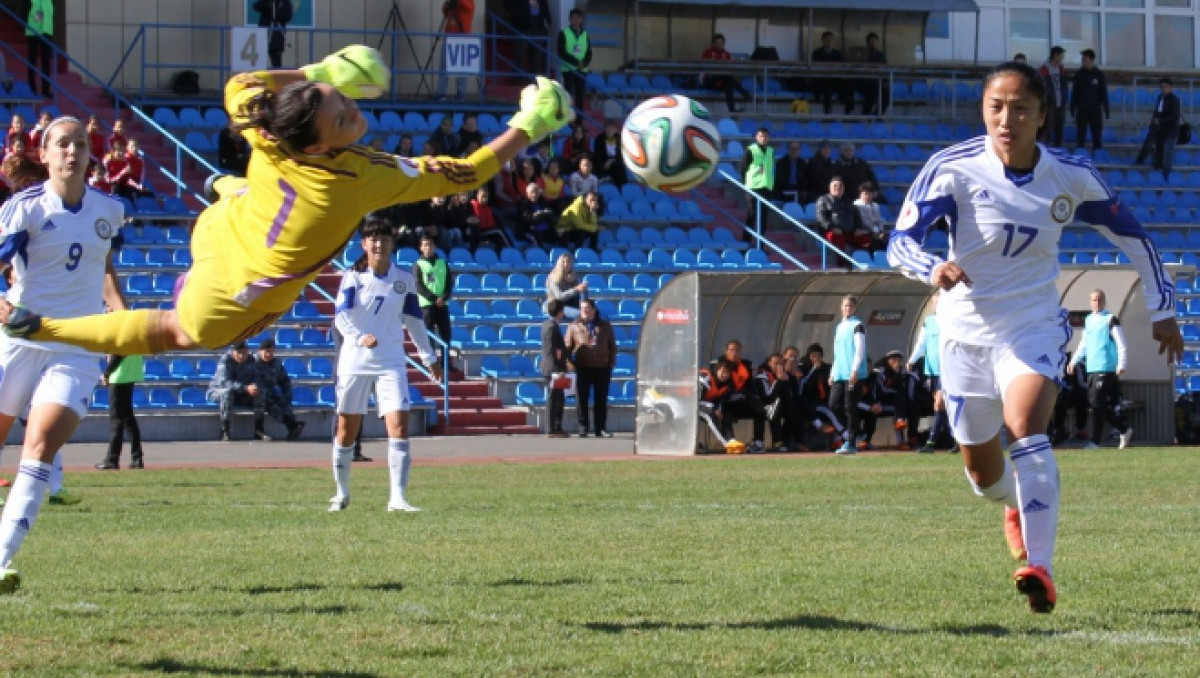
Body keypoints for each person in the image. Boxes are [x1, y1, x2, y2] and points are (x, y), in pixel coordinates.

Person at [0, 48, 574, 356]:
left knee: (245, 192)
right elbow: (464, 172)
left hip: (221, 225)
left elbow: (240, 87)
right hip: (231, 295)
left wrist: (318, 72)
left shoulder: (268, 133)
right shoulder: (357, 179)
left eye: (343, 101)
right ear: (321, 142)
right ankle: (44, 329)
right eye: (342, 113)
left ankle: (225, 186)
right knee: (178, 334)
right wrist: (529, 123)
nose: (354, 111)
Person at [887, 60, 1180, 614]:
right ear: (984, 110)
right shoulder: (952, 169)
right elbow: (900, 240)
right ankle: (1010, 505)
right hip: (964, 333)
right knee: (980, 470)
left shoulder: (1070, 175)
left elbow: (1135, 238)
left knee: (1026, 428)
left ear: (1042, 116)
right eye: (996, 106)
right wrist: (933, 268)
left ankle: (1040, 568)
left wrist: (1163, 308)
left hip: (1032, 325)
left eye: (1021, 108)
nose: (1007, 118)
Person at [0, 116, 129, 594]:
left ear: (91, 152)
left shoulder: (110, 209)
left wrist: (120, 316)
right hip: (18, 340)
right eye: (62, 144)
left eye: (80, 142)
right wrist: (4, 309)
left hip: (76, 346)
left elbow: (105, 265)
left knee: (40, 446)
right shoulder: (24, 208)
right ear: (45, 154)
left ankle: (3, 561)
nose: (72, 151)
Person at [329, 215, 443, 513]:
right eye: (374, 239)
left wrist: (428, 357)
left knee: (399, 425)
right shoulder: (352, 278)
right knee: (346, 430)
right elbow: (340, 316)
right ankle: (341, 494)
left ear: (393, 243)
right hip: (355, 361)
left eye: (385, 238)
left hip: (391, 361)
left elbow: (415, 322)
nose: (379, 244)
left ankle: (397, 499)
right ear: (364, 244)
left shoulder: (404, 280)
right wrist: (359, 336)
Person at [1068, 289, 1134, 450]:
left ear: (1103, 301)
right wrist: (1074, 361)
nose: (1096, 303)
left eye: (1099, 300)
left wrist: (1121, 364)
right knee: (1096, 404)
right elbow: (1084, 343)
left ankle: (1095, 441)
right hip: (1092, 367)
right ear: (1090, 302)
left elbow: (1121, 343)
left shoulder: (1110, 319)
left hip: (1106, 367)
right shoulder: (1089, 320)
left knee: (1097, 402)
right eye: (1093, 300)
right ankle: (1123, 429)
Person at [908, 297, 955, 453]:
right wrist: (912, 359)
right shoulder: (929, 321)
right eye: (936, 303)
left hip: (946, 368)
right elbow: (921, 342)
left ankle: (931, 442)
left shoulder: (950, 320)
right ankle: (957, 440)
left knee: (939, 404)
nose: (938, 305)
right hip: (932, 369)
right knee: (942, 406)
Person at [564, 299, 616, 438]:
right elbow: (567, 347)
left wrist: (610, 364)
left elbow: (612, 346)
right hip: (583, 368)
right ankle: (583, 428)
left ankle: (600, 428)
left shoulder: (605, 326)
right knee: (582, 400)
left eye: (587, 308)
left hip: (602, 367)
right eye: (582, 309)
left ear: (594, 309)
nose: (584, 311)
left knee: (601, 399)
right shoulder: (574, 326)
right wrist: (571, 366)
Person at [829, 295, 868, 455]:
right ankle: (856, 432)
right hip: (839, 372)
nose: (847, 308)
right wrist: (832, 372)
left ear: (855, 308)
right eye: (845, 306)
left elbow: (860, 348)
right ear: (841, 307)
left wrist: (855, 370)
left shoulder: (857, 325)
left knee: (850, 407)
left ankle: (851, 443)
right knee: (833, 404)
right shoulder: (839, 327)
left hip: (851, 372)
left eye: (850, 306)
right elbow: (837, 352)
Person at [207, 341, 269, 441]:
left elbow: (258, 378)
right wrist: (245, 388)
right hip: (218, 391)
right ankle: (225, 430)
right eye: (238, 353)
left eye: (244, 353)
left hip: (241, 393)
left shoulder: (251, 360)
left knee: (260, 392)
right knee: (227, 393)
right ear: (233, 352)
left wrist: (255, 387)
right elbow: (225, 382)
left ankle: (259, 430)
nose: (241, 356)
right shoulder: (225, 360)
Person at [712, 340, 766, 453]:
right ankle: (731, 441)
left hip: (742, 402)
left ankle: (758, 443)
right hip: (726, 402)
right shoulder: (721, 365)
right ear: (726, 352)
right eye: (731, 350)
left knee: (760, 410)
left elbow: (750, 388)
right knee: (726, 411)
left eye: (737, 350)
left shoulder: (745, 366)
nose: (734, 353)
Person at [95, 353, 145, 470]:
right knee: (128, 418)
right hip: (131, 373)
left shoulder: (120, 336)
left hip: (119, 376)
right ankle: (137, 458)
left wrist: (107, 373)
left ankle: (112, 459)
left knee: (116, 419)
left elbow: (118, 355)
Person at [413, 234, 454, 371]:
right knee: (428, 334)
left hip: (443, 304)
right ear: (421, 248)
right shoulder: (419, 264)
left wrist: (444, 297)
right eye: (425, 245)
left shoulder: (442, 263)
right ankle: (432, 363)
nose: (428, 248)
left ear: (434, 246)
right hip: (427, 305)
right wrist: (433, 298)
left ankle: (445, 363)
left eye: (430, 245)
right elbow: (418, 285)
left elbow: (449, 283)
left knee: (445, 334)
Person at [255, 337, 306, 440]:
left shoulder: (276, 363)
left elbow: (284, 380)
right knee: (269, 401)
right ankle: (291, 425)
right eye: (266, 352)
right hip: (255, 394)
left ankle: (292, 428)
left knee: (284, 401)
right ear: (260, 351)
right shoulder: (253, 362)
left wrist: (287, 395)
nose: (269, 354)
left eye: (271, 352)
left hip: (271, 392)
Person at [1135, 77, 1180, 181]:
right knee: (1159, 150)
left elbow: (1174, 116)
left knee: (1167, 155)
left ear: (1170, 87)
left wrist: (1161, 120)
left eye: (1165, 87)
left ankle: (1166, 176)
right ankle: (1157, 169)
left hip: (1170, 131)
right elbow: (1157, 111)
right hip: (1160, 130)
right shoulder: (1160, 98)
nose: (1163, 89)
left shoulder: (1174, 100)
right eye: (1162, 87)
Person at [434, 0, 476, 101]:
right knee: (444, 65)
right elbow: (445, 13)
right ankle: (441, 93)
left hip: (463, 37)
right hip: (449, 36)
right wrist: (447, 6)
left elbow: (469, 8)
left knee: (461, 67)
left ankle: (461, 94)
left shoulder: (468, 2)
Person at [1070, 49, 1109, 155]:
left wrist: (1106, 109)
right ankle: (1080, 156)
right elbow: (1075, 92)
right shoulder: (1079, 74)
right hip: (1082, 109)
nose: (1083, 62)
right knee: (1081, 135)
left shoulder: (1099, 74)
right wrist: (1072, 108)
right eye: (1082, 60)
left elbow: (1103, 93)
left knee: (1097, 135)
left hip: (1095, 110)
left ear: (1091, 60)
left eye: (1085, 59)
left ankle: (1097, 157)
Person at [815, 176, 865, 258]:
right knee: (837, 239)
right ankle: (843, 264)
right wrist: (831, 227)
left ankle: (862, 260)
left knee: (866, 239)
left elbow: (856, 216)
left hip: (849, 233)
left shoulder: (848, 202)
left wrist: (858, 228)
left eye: (840, 186)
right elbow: (821, 218)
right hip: (832, 233)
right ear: (830, 187)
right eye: (835, 186)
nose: (838, 188)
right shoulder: (823, 200)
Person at [540, 299, 569, 438]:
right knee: (554, 399)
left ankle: (556, 426)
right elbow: (551, 350)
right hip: (553, 369)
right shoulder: (552, 327)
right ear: (559, 312)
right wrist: (556, 370)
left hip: (552, 367)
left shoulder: (548, 324)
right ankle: (552, 428)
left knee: (559, 398)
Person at [701, 33, 751, 113]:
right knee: (727, 78)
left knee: (728, 85)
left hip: (721, 82)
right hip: (709, 80)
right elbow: (705, 68)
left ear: (724, 44)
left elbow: (730, 68)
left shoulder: (727, 54)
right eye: (717, 43)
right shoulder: (708, 52)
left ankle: (732, 110)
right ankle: (746, 94)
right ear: (713, 43)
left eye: (721, 43)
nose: (719, 45)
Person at [741, 127, 774, 241]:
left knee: (763, 218)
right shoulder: (750, 150)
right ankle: (745, 242)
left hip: (766, 187)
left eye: (765, 136)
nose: (763, 138)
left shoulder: (770, 151)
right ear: (756, 137)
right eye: (761, 136)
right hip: (753, 187)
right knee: (752, 215)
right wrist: (746, 183)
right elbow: (743, 168)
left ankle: (761, 244)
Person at [557, 8, 591, 111]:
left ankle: (579, 122)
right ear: (570, 19)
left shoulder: (585, 34)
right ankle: (568, 121)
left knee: (580, 96)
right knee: (568, 95)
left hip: (582, 70)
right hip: (568, 69)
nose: (576, 20)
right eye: (573, 18)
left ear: (581, 19)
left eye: (578, 18)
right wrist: (576, 63)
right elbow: (561, 52)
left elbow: (589, 52)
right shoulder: (563, 33)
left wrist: (584, 63)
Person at [508, 0, 552, 75]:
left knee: (538, 54)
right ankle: (519, 77)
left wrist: (548, 22)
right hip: (523, 28)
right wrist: (520, 18)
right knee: (521, 53)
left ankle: (536, 77)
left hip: (538, 28)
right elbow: (509, 4)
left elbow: (545, 10)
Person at [811, 31, 850, 115]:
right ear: (822, 41)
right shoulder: (816, 53)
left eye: (831, 40)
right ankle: (827, 111)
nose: (829, 42)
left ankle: (848, 108)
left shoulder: (838, 53)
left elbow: (842, 66)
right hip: (821, 80)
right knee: (828, 85)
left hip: (835, 79)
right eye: (827, 40)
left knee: (849, 83)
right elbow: (815, 68)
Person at [1038, 46, 1068, 147]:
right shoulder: (1044, 69)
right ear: (1056, 55)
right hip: (1050, 104)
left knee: (1059, 128)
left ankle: (1058, 150)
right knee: (1048, 129)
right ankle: (1047, 149)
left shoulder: (1061, 69)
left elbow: (1064, 86)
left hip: (1060, 103)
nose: (1062, 58)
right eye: (1061, 56)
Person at [545, 251, 586, 320]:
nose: (566, 264)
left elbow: (580, 294)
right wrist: (576, 289)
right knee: (581, 315)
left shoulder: (574, 276)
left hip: (571, 304)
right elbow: (559, 297)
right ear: (559, 264)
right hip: (556, 305)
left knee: (591, 312)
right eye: (563, 262)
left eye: (568, 262)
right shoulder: (553, 277)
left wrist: (583, 290)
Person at [25, 0, 54, 97]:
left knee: (46, 61)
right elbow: (25, 9)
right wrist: (36, 16)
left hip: (46, 31)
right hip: (33, 31)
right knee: (32, 59)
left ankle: (46, 90)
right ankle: (31, 88)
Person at [253, 0, 293, 69]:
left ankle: (278, 78)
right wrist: (268, 4)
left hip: (277, 36)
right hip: (264, 35)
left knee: (276, 62)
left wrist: (276, 13)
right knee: (260, 60)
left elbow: (288, 17)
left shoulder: (285, 2)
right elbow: (255, 6)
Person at [858, 32, 890, 116]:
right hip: (865, 82)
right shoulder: (862, 54)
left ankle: (877, 115)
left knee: (886, 95)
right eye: (871, 41)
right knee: (871, 92)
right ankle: (865, 115)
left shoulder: (881, 55)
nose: (874, 43)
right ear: (867, 43)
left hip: (878, 81)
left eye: (875, 41)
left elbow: (885, 69)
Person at [591, 119, 626, 187]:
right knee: (595, 158)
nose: (609, 130)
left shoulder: (620, 139)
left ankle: (621, 188)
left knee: (620, 167)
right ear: (604, 129)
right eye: (608, 128)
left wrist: (611, 160)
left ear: (615, 130)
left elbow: (621, 154)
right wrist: (606, 161)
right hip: (603, 162)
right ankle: (600, 178)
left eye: (612, 128)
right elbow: (598, 153)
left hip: (615, 161)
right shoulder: (599, 139)